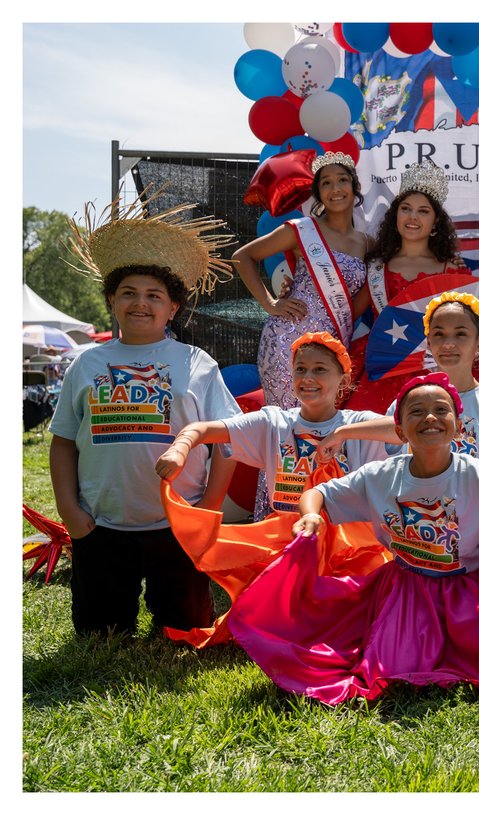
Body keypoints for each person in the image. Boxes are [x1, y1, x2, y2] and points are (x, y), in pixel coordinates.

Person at [224, 373, 479, 711]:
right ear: (400, 431)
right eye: (417, 412)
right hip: (404, 591)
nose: (429, 418)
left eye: (440, 410)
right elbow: (318, 494)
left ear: (456, 425)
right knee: (390, 666)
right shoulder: (380, 476)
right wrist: (308, 515)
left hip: (464, 593)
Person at [50, 195, 242, 636]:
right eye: (129, 294)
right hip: (99, 525)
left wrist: (208, 510)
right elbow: (62, 440)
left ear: (172, 307)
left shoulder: (196, 362)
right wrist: (67, 508)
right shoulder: (86, 363)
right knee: (99, 632)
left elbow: (227, 440)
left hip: (176, 525)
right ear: (112, 302)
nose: (141, 303)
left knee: (185, 629)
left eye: (154, 295)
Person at [319, 292, 479, 542]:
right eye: (439, 334)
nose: (448, 343)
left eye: (460, 334)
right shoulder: (406, 404)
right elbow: (396, 434)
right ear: (428, 342)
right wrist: (342, 432)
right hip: (415, 540)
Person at [155, 332, 389, 521]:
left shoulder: (357, 425)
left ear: (343, 381)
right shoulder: (274, 423)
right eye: (300, 369)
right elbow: (203, 430)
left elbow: (401, 430)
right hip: (288, 541)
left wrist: (341, 433)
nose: (307, 377)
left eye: (319, 369)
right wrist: (181, 447)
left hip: (348, 550)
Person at [232, 151, 372, 408]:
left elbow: (363, 298)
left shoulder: (366, 243)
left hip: (332, 344)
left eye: (342, 180)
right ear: (318, 194)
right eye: (326, 183)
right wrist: (270, 303)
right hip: (286, 338)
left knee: (321, 422)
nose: (335, 188)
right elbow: (243, 257)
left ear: (354, 187)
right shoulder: (301, 230)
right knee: (286, 421)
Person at [344, 159, 465, 413]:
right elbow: (346, 316)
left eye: (423, 211)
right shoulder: (377, 267)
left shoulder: (452, 270)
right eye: (406, 208)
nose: (412, 216)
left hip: (434, 369)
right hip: (382, 366)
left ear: (435, 224)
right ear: (395, 216)